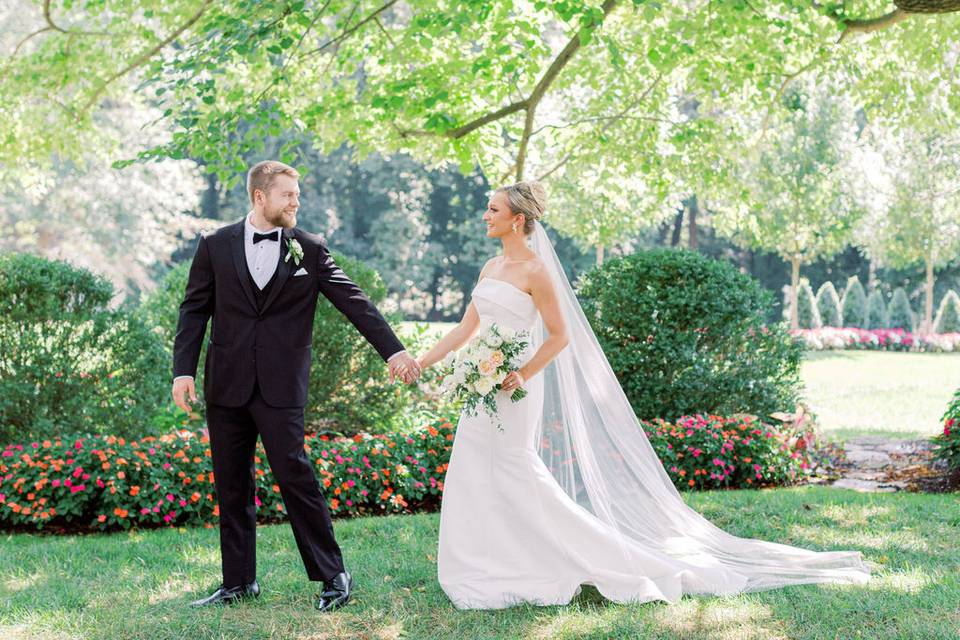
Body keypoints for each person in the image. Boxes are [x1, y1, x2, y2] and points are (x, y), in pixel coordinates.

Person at [415, 181, 873, 609]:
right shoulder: (491, 266)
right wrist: (421, 363)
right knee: (472, 471)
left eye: (492, 209)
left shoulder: (536, 271)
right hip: (482, 390)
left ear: (517, 219)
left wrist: (522, 373)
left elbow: (558, 336)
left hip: (515, 392)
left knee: (516, 472)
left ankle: (589, 556)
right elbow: (465, 330)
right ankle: (488, 562)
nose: (484, 215)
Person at [171, 160, 421, 611]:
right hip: (226, 385)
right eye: (288, 194)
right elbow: (194, 310)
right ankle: (238, 582)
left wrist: (395, 351)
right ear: (260, 197)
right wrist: (183, 370)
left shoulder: (309, 247)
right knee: (231, 484)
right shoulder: (214, 244)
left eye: (297, 194)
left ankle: (333, 574)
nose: (296, 202)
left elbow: (354, 301)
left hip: (281, 386)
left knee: (295, 476)